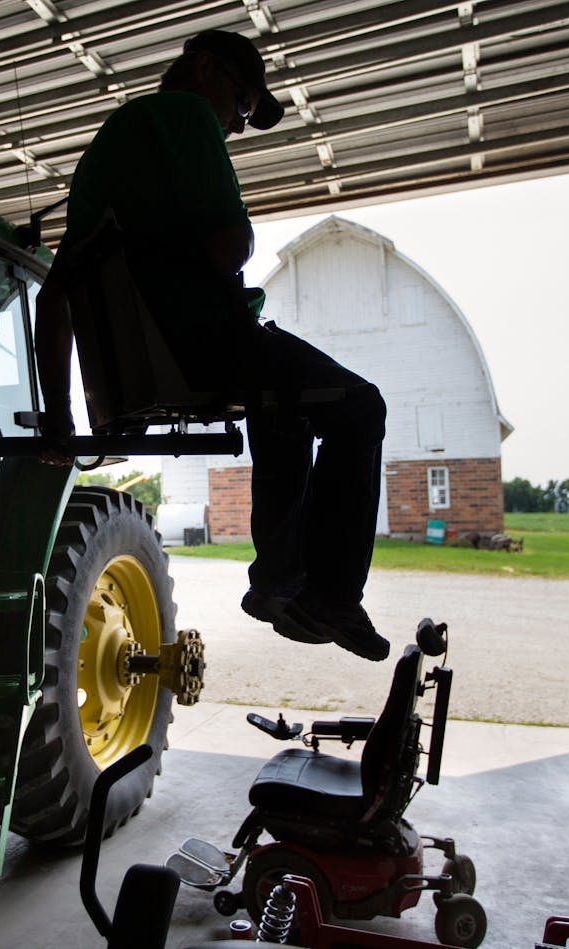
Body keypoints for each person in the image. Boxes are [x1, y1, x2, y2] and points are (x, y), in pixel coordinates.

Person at [34, 30, 389, 662]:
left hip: (161, 359)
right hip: (206, 343)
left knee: (289, 393)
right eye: (243, 106)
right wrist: (238, 245)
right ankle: (317, 590)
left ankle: (285, 580)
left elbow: (52, 298)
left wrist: (59, 418)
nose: (238, 126)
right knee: (361, 407)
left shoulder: (101, 163)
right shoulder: (184, 113)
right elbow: (231, 245)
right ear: (204, 70)